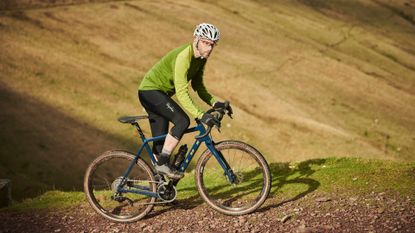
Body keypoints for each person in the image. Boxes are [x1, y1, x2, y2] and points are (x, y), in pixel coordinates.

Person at [138, 23, 231, 179]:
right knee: (182, 120)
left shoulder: (201, 59)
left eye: (212, 45)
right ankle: (162, 164)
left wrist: (215, 103)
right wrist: (201, 115)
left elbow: (198, 86)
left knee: (161, 148)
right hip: (150, 92)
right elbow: (182, 92)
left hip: (160, 95)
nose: (209, 48)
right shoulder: (184, 56)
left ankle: (161, 190)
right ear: (196, 39)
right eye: (206, 43)